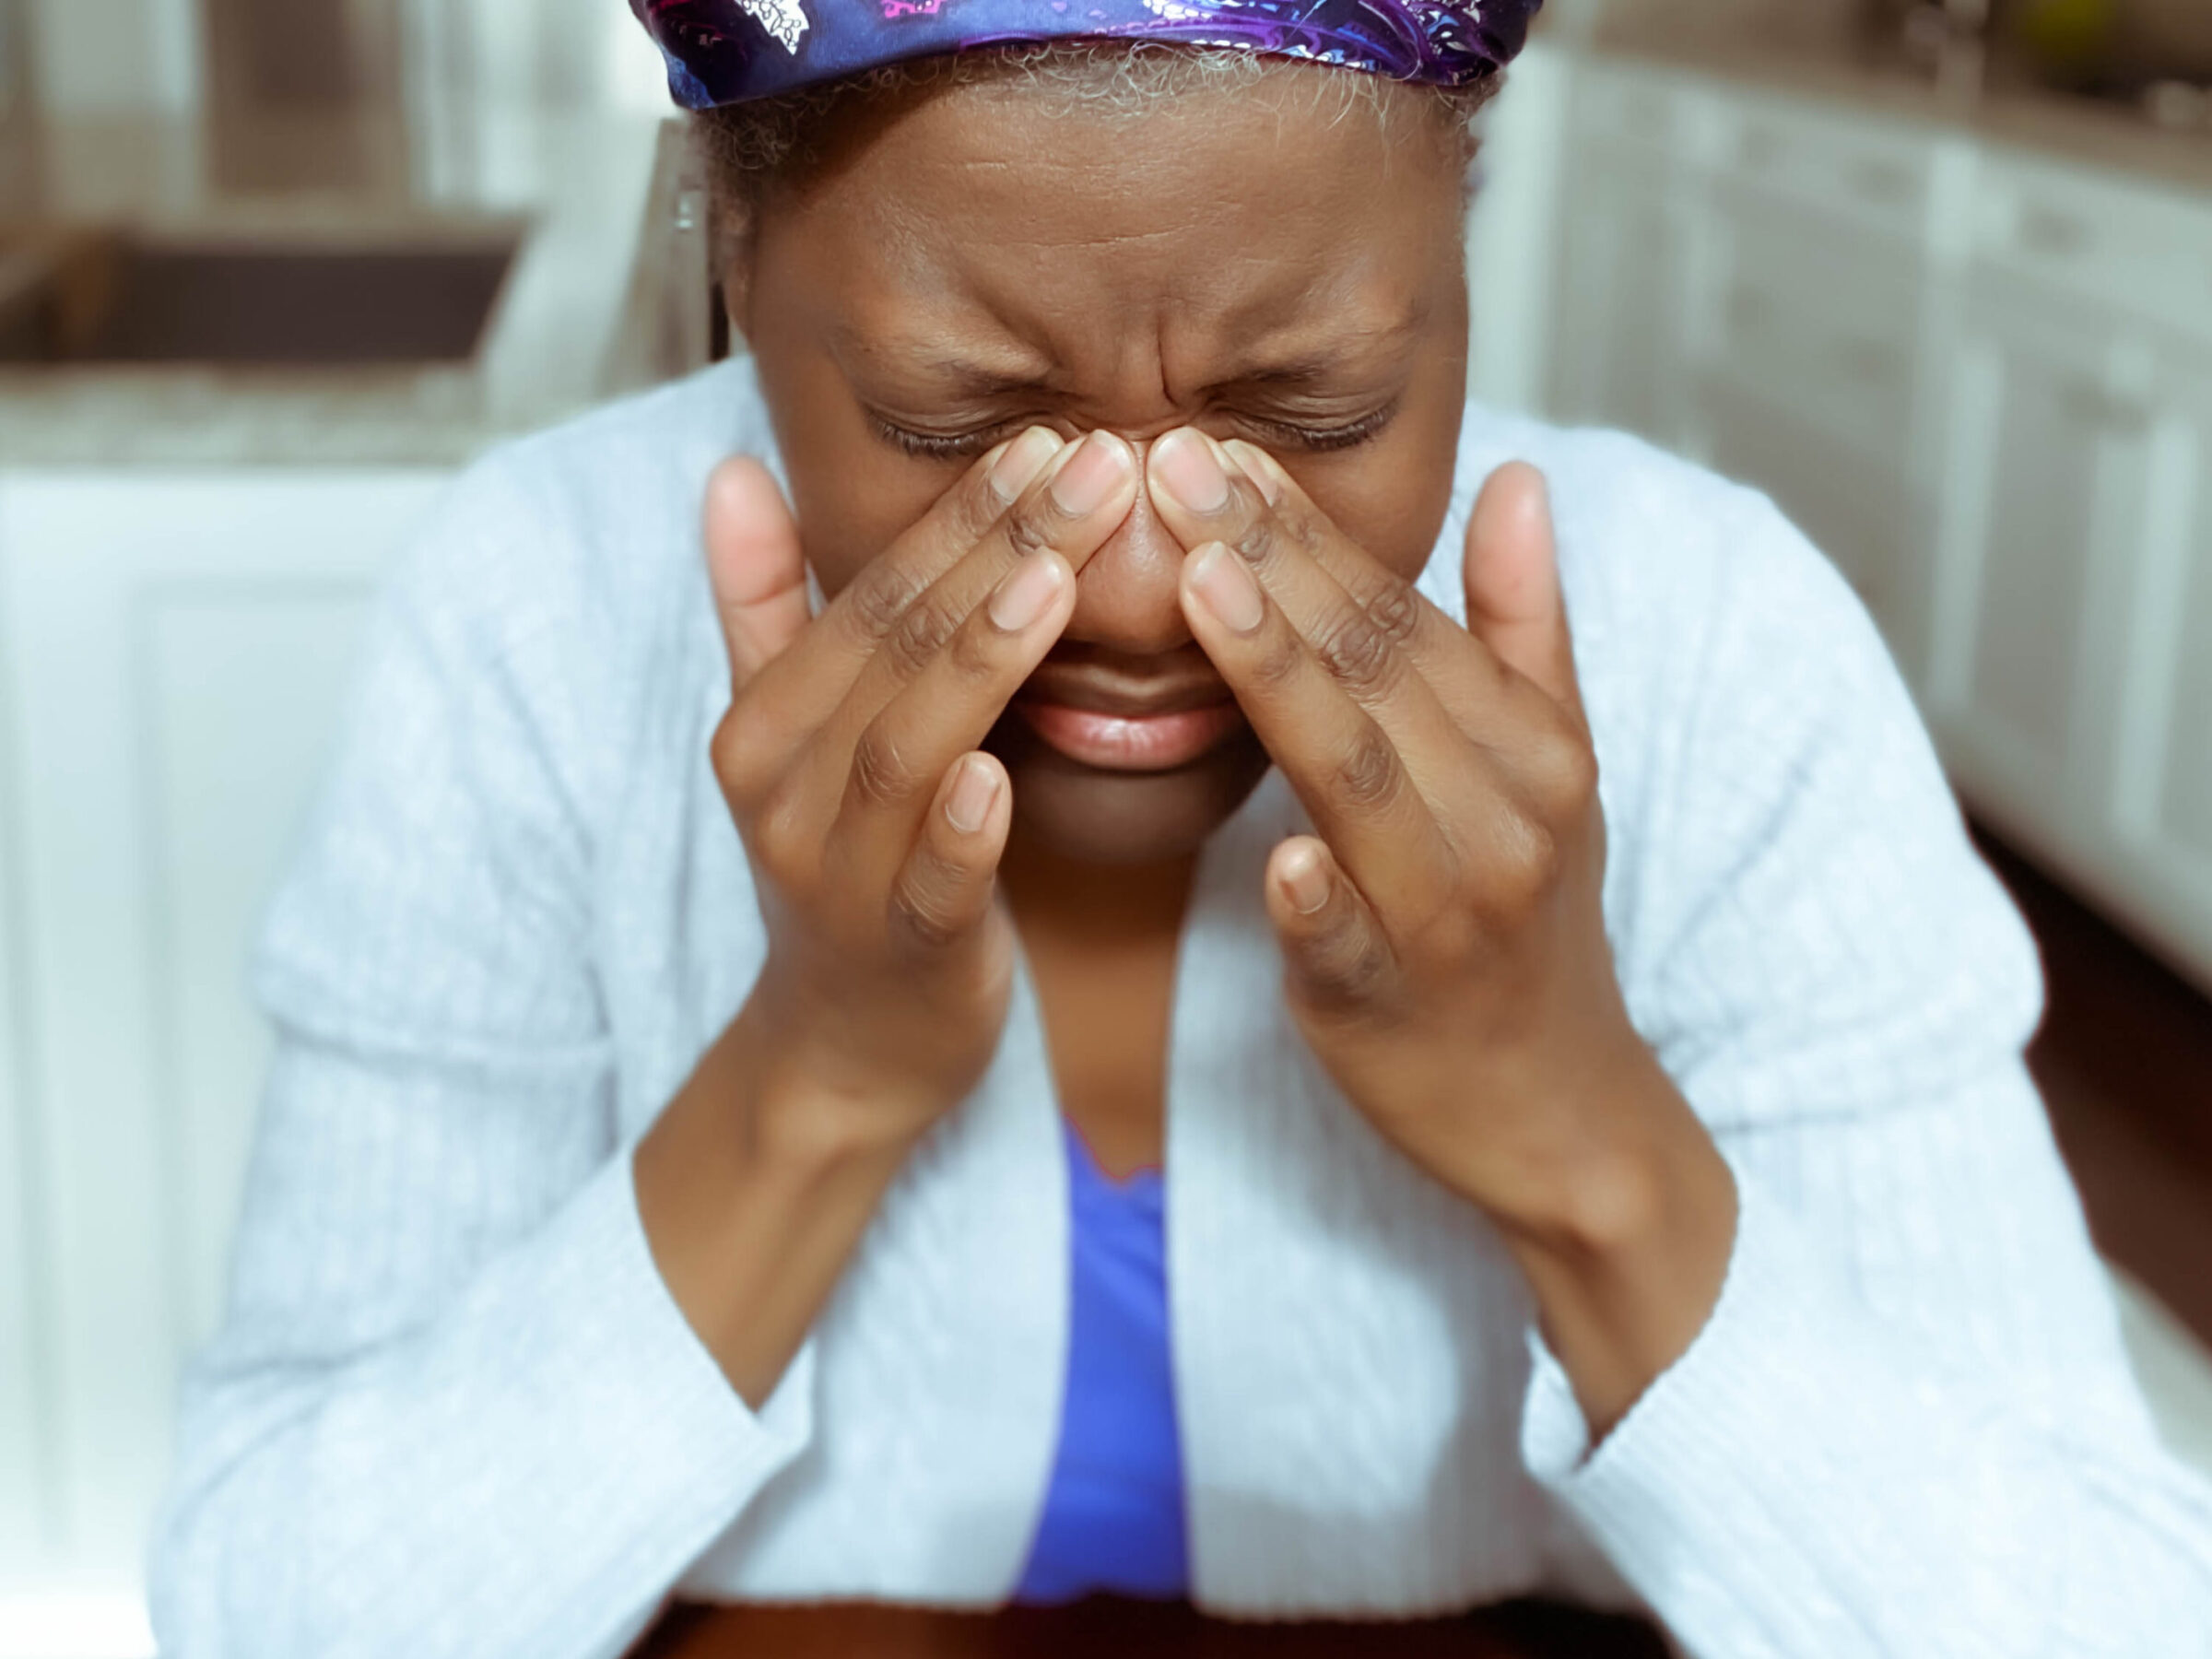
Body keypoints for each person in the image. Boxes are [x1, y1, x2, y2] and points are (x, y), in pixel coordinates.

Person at [151, 0, 2212, 1653]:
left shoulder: (1712, 648)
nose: (1142, 596)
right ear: (735, 252)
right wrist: (815, 1077)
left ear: (1462, 241)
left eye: (1312, 415)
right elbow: (269, 1607)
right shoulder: (534, 620)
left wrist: (1576, 1127)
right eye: (958, 427)